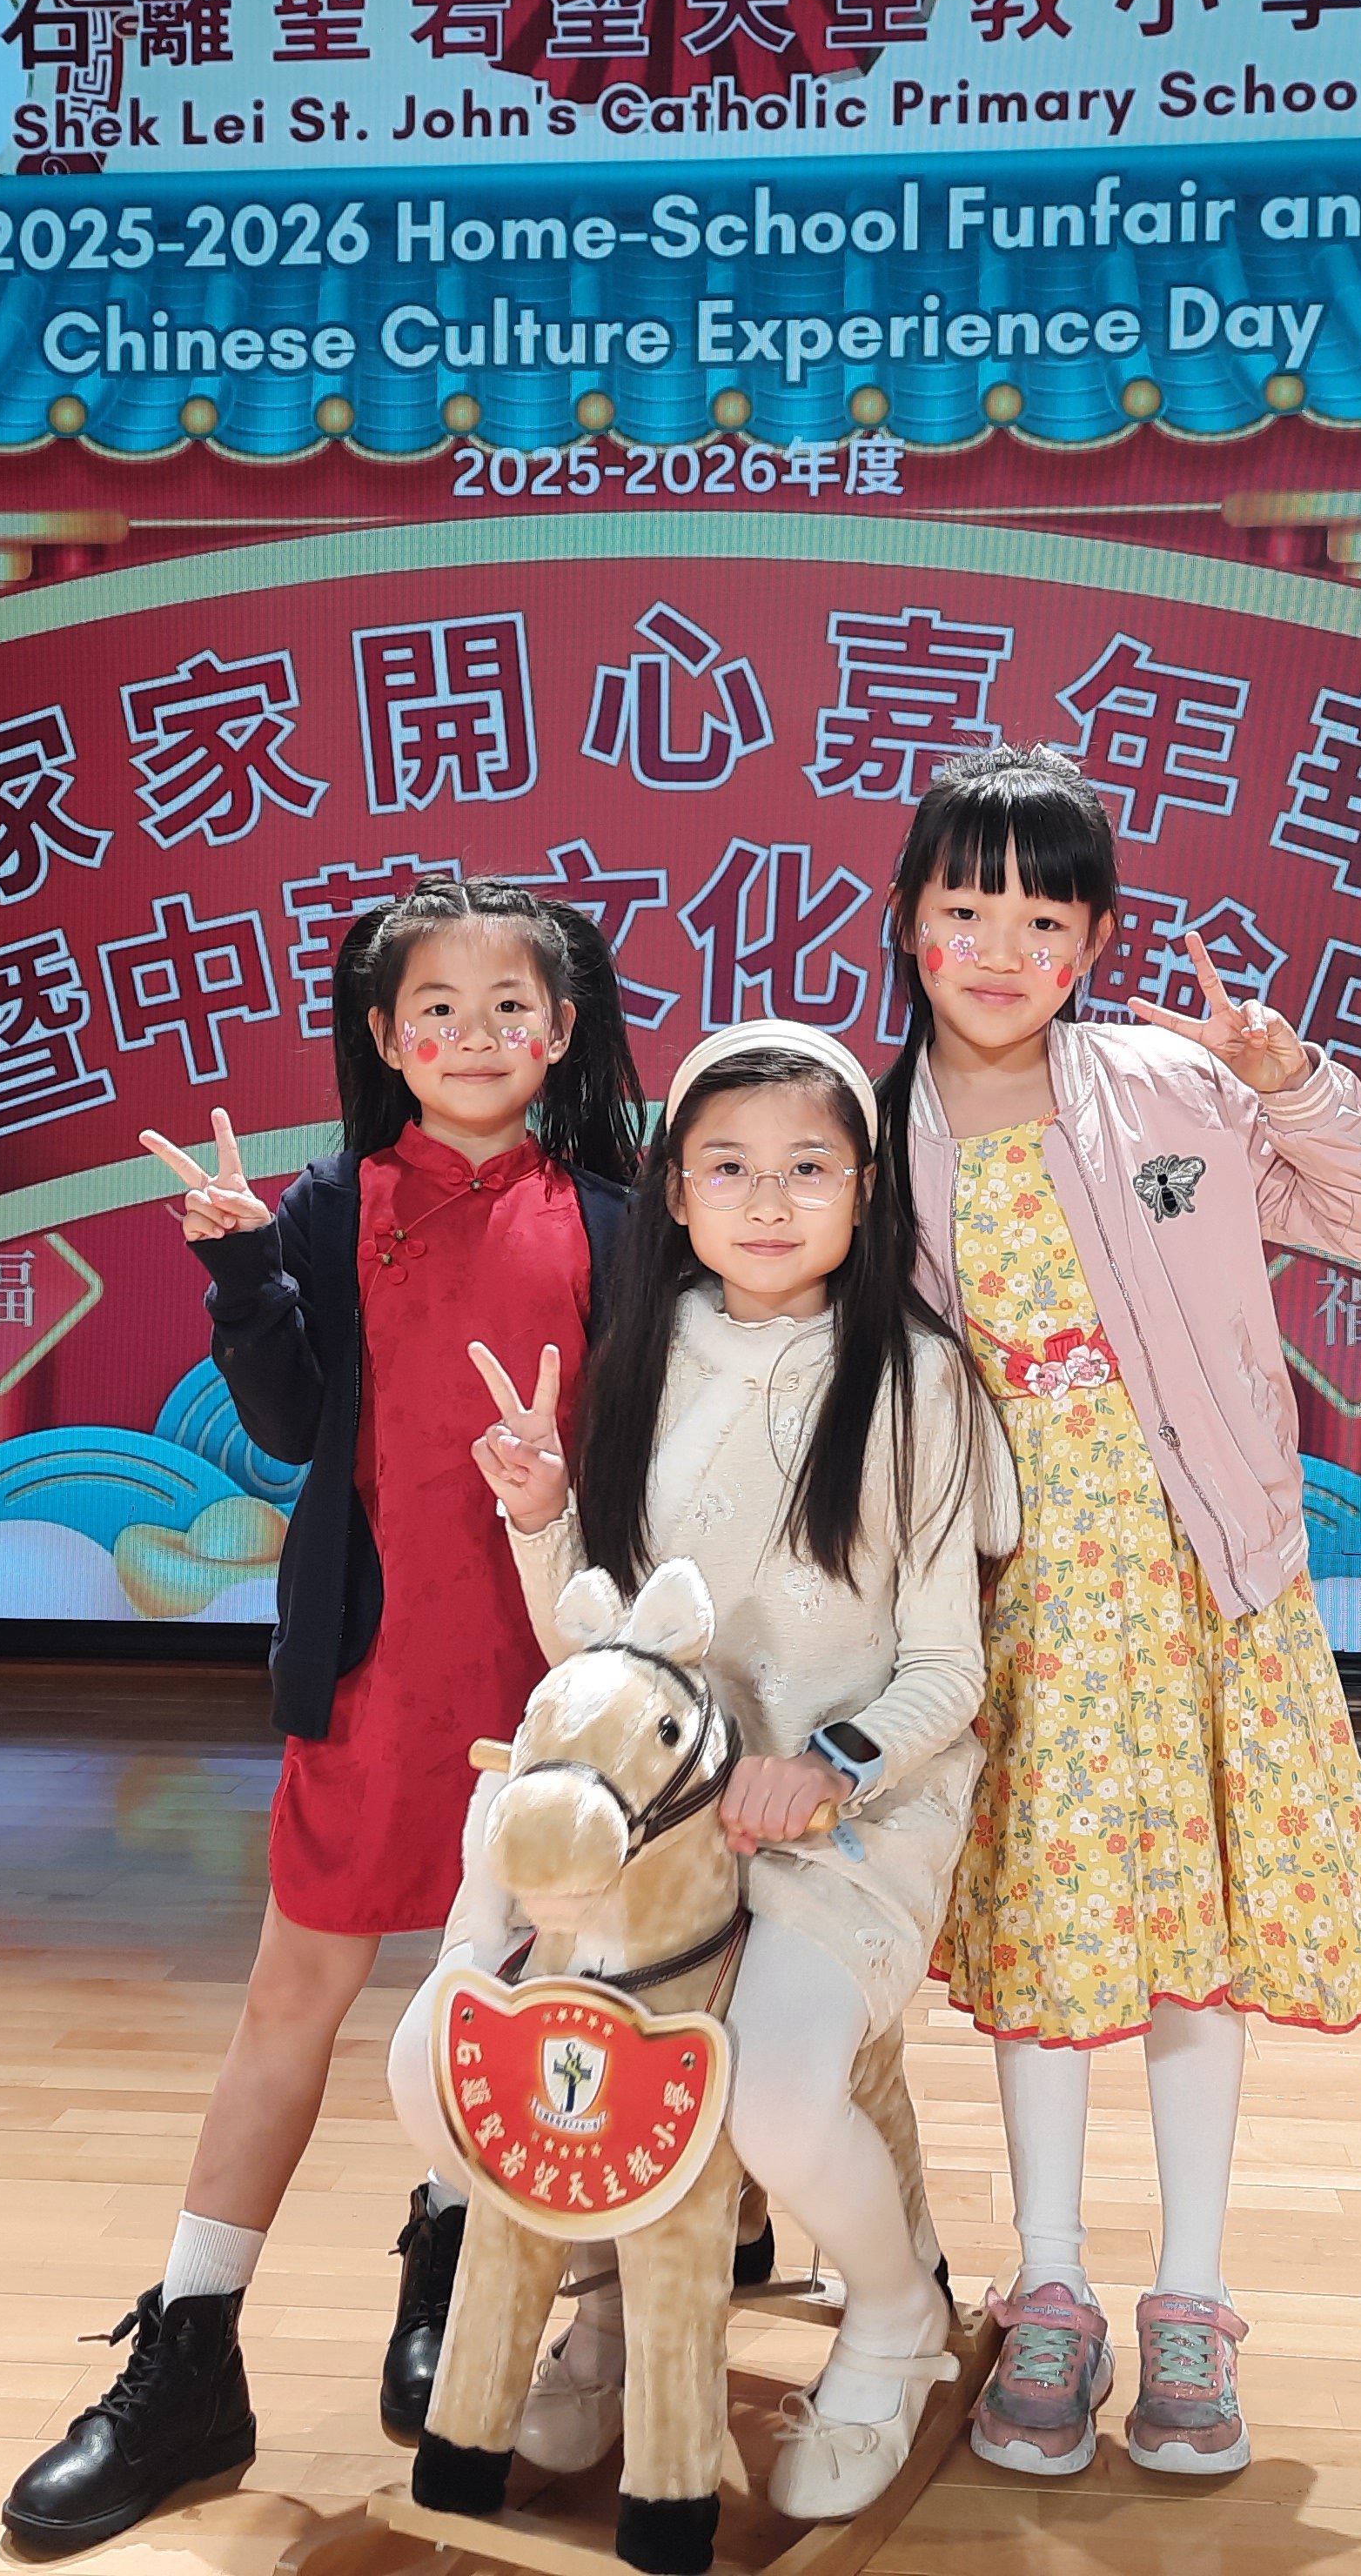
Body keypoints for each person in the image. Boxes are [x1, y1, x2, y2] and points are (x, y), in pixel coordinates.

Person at [1, 876, 646, 2554]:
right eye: (436, 1008)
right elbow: (289, 1428)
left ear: (563, 1030)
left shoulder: (617, 1219)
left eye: (510, 1007)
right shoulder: (330, 1204)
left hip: (553, 1682)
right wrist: (239, 1270)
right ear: (383, 1036)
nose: (475, 1036)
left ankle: (448, 2270)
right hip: (374, 1674)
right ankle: (188, 2349)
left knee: (501, 1992)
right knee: (295, 1996)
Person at [885, 746, 1361, 2479]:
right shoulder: (865, 1128)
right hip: (1011, 1600)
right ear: (908, 921)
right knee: (1054, 1939)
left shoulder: (1168, 1085)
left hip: (1206, 1579)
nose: (999, 950)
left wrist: (1288, 1077)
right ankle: (1046, 2287)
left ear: (1096, 939)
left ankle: (1190, 2295)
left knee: (1197, 1940)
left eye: (1042, 919)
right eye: (965, 909)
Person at [386, 1018, 1013, 2519]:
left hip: (840, 1817)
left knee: (771, 2101)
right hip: (646, 1818)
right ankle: (620, 2298)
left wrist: (829, 1765)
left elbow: (949, 1669)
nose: (768, 1199)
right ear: (675, 1192)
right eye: (727, 1167)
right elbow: (595, 1646)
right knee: (436, 2070)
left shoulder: (918, 1378)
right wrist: (543, 1512)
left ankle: (894, 2320)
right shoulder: (646, 1353)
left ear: (866, 1191)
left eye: (809, 1168)